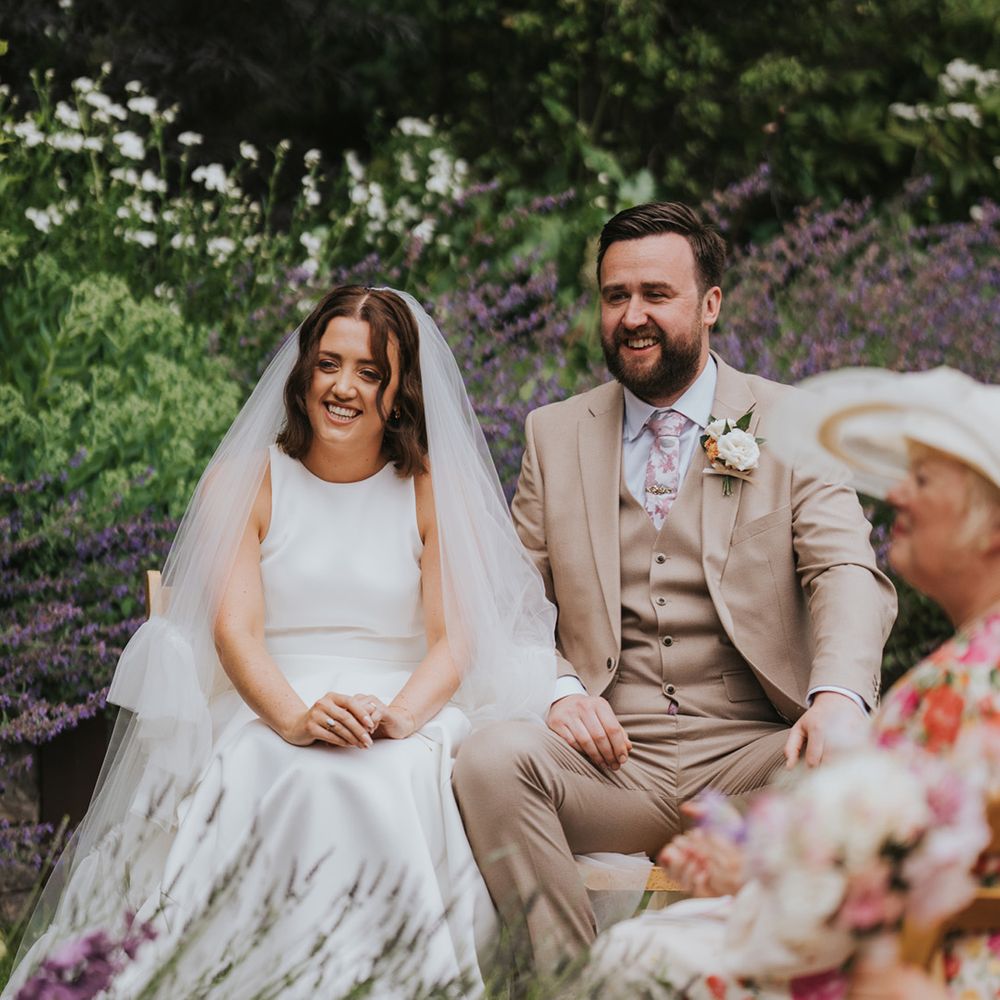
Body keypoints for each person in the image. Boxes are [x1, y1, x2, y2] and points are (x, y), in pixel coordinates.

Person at [4, 286, 558, 999]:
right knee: (280, 769)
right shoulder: (246, 480)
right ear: (303, 373)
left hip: (403, 700)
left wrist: (403, 719)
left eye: (368, 371)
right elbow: (235, 633)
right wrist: (295, 719)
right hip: (269, 700)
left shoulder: (426, 486)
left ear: (398, 393)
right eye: (329, 363)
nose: (343, 386)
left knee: (393, 777)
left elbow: (452, 643)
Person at [451, 201, 897, 971]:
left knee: (859, 771)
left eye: (656, 294)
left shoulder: (790, 421)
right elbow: (512, 602)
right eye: (615, 295)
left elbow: (846, 570)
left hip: (757, 756)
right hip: (611, 766)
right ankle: (565, 987)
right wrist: (557, 690)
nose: (633, 316)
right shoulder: (552, 434)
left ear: (710, 303)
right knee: (488, 762)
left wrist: (837, 700)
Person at [586, 365, 1000, 1000]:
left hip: (924, 971)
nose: (897, 494)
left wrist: (751, 879)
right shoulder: (970, 663)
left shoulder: (966, 689)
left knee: (634, 955)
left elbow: (903, 900)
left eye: (922, 480)